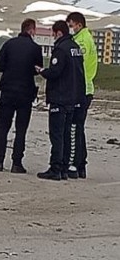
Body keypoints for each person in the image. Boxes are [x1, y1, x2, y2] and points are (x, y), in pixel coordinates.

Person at [36, 20, 85, 181]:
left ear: (58, 33)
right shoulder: (75, 48)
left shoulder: (61, 49)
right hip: (72, 97)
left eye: (53, 33)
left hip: (60, 97)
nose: (52, 36)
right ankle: (64, 167)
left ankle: (55, 167)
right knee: (67, 134)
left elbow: (56, 72)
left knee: (57, 134)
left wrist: (43, 71)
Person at [0, 19, 43, 173]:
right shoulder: (35, 48)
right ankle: (16, 163)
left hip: (7, 90)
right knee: (21, 129)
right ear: (32, 30)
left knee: (2, 127)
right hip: (25, 92)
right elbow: (37, 69)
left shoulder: (9, 44)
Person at [67, 12, 98, 179]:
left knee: (75, 129)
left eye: (71, 25)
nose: (70, 28)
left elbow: (78, 67)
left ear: (78, 24)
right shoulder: (86, 38)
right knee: (78, 129)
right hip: (85, 88)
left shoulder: (82, 41)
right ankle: (81, 164)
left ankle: (76, 164)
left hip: (80, 90)